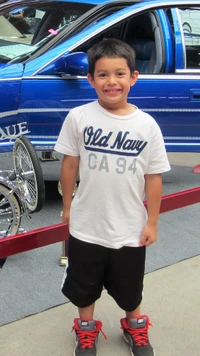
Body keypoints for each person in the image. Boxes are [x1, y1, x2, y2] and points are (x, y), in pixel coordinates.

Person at [55, 38, 171, 356]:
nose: (111, 82)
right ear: (90, 79)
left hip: (130, 227)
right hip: (86, 223)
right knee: (84, 284)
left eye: (120, 73)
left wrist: (152, 221)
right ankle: (87, 331)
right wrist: (67, 206)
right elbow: (69, 164)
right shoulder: (79, 118)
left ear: (133, 76)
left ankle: (134, 326)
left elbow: (154, 177)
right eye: (102, 75)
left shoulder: (146, 126)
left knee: (130, 286)